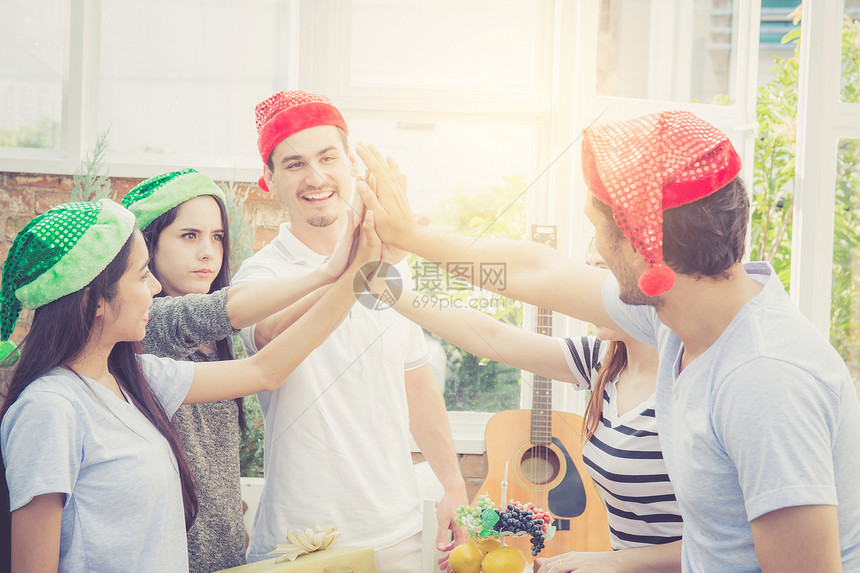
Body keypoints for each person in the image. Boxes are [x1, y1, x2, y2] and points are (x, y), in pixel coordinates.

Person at [355, 110, 860, 572]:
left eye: (598, 229)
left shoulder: (764, 382)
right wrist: (411, 241)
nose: (593, 249)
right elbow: (536, 270)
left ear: (644, 250)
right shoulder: (682, 314)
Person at [0, 198, 380, 571]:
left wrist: (353, 274)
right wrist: (330, 271)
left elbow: (266, 370)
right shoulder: (49, 409)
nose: (153, 286)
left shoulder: (137, 377)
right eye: (140, 274)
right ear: (93, 301)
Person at [233, 90, 468, 571]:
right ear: (270, 180)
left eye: (328, 157)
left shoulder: (386, 269)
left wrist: (454, 484)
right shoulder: (260, 278)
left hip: (400, 532)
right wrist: (359, 266)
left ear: (352, 166)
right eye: (294, 164)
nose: (316, 177)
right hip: (302, 541)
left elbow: (418, 386)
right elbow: (271, 339)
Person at [366, 262, 682, 568]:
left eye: (603, 271)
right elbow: (491, 336)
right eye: (588, 271)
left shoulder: (688, 379)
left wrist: (613, 561)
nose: (589, 289)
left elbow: (725, 541)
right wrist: (385, 287)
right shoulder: (601, 361)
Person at [120, 168, 358, 572]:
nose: (208, 252)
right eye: (188, 236)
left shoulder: (216, 345)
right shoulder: (150, 325)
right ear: (147, 247)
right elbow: (237, 317)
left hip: (225, 557)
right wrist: (337, 271)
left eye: (217, 237)